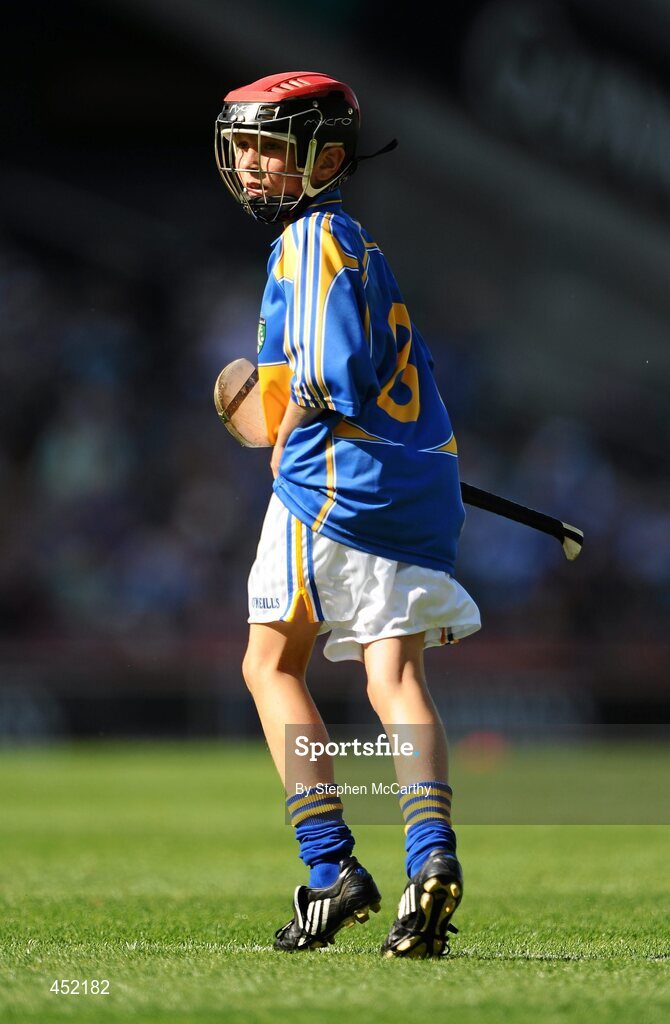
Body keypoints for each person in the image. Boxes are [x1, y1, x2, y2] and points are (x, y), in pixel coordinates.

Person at [214, 72, 481, 958]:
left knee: (269, 664)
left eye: (268, 149)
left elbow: (332, 378)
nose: (250, 166)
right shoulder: (363, 244)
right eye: (243, 147)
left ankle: (331, 869)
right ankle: (430, 860)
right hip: (414, 488)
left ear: (324, 159)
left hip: (329, 488)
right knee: (394, 679)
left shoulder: (308, 241)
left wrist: (270, 414)